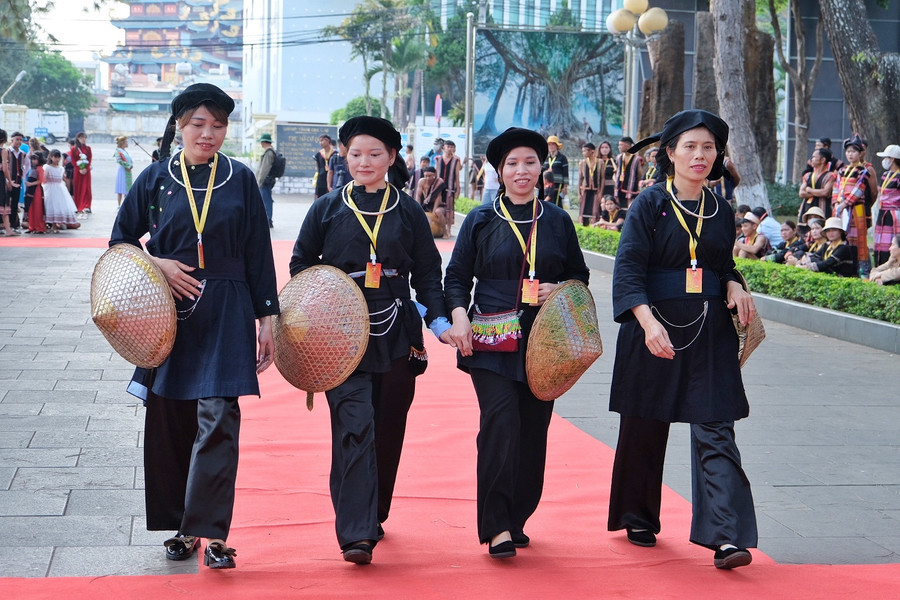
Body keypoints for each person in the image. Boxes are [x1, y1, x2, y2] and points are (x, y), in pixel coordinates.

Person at [109, 83, 280, 570]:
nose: (208, 133)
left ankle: (214, 533)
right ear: (180, 125)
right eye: (198, 124)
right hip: (172, 312)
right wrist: (157, 263)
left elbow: (258, 252)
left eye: (218, 125)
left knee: (220, 417)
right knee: (171, 418)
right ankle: (183, 526)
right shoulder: (155, 178)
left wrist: (268, 318)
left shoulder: (240, 178)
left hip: (228, 308)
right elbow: (120, 241)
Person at [289, 115, 451, 565]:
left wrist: (439, 321)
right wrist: (323, 305)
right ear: (345, 156)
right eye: (356, 153)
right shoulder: (326, 208)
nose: (364, 162)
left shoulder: (409, 210)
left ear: (391, 157)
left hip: (396, 329)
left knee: (388, 427)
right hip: (341, 332)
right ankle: (356, 533)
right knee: (354, 424)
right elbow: (301, 264)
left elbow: (428, 273)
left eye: (375, 154)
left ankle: (373, 512)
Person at [607, 109, 758, 570]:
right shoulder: (649, 204)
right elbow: (629, 269)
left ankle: (726, 537)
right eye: (690, 146)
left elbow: (722, 264)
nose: (700, 155)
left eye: (708, 147)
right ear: (670, 153)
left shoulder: (721, 210)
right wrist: (647, 322)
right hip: (653, 328)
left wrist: (733, 283)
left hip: (709, 332)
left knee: (716, 427)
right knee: (644, 424)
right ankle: (637, 516)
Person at [443, 127, 589, 560]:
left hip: (545, 342)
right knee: (500, 424)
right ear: (499, 171)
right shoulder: (481, 219)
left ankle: (517, 516)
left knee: (532, 431)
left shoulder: (558, 221)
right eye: (512, 164)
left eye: (529, 162)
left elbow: (579, 277)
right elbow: (456, 277)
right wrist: (458, 316)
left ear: (542, 168)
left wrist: (559, 289)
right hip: (491, 339)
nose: (521, 170)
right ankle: (496, 527)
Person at [832, 133, 877, 277]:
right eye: (848, 151)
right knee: (844, 237)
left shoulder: (863, 171)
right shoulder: (842, 170)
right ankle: (846, 266)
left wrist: (845, 203)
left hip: (857, 209)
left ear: (860, 153)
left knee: (859, 239)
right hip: (841, 209)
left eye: (853, 152)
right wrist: (836, 203)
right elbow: (836, 188)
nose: (850, 154)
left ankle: (863, 269)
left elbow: (859, 189)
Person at [798, 147, 835, 234]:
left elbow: (825, 192)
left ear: (823, 160)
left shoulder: (830, 176)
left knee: (822, 229)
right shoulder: (808, 175)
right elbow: (801, 193)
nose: (812, 159)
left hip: (823, 207)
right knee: (805, 231)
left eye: (814, 157)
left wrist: (809, 190)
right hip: (807, 207)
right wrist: (818, 192)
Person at [873, 145, 900, 266]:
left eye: (886, 158)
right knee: (880, 241)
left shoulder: (899, 177)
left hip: (894, 214)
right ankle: (879, 265)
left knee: (892, 241)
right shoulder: (885, 175)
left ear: (892, 159)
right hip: (882, 212)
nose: (884, 161)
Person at [41, 149, 80, 232]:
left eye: (58, 157)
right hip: (49, 188)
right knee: (50, 206)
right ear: (51, 157)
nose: (57, 159)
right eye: (55, 157)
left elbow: (62, 178)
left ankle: (56, 224)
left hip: (59, 189)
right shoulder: (47, 167)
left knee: (58, 205)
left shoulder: (61, 168)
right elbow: (44, 179)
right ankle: (50, 224)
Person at [415, 166, 449, 238]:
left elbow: (438, 197)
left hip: (439, 205)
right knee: (414, 212)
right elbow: (418, 195)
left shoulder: (439, 182)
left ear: (434, 175)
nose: (427, 178)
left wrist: (434, 210)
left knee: (438, 212)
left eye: (430, 176)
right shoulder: (421, 181)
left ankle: (445, 232)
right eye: (426, 176)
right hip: (425, 204)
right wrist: (418, 208)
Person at [434, 140, 462, 228]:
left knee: (450, 209)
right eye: (448, 147)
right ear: (444, 147)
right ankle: (441, 228)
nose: (449, 149)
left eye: (451, 147)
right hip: (439, 188)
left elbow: (457, 175)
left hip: (450, 188)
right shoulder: (438, 159)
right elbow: (435, 174)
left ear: (454, 149)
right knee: (437, 207)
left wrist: (458, 189)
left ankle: (449, 229)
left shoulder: (456, 160)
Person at [615, 136, 643, 207]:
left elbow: (639, 174)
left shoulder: (636, 159)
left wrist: (637, 184)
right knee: (619, 207)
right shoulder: (618, 157)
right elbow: (616, 171)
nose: (619, 147)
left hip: (631, 188)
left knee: (629, 207)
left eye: (621, 145)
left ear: (627, 146)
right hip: (619, 188)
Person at [0, 129, 19, 237]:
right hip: (0, 179)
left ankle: (8, 230)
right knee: (3, 203)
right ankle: (8, 230)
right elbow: (5, 168)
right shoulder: (3, 151)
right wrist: (10, 180)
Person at [8, 131, 27, 231]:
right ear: (12, 140)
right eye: (17, 139)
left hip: (18, 182)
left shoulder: (22, 154)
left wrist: (23, 175)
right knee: (5, 204)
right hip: (7, 182)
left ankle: (14, 225)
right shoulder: (6, 152)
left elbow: (27, 165)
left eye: (20, 140)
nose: (19, 142)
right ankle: (4, 225)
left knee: (15, 204)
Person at [542, 135, 569, 207]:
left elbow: (565, 172)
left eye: (553, 144)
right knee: (547, 204)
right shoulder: (546, 158)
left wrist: (565, 186)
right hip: (547, 185)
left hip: (558, 185)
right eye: (549, 144)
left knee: (557, 204)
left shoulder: (562, 158)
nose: (551, 146)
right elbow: (542, 170)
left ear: (557, 146)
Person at [70, 132, 93, 216]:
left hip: (86, 171)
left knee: (86, 188)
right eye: (82, 138)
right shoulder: (74, 149)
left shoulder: (88, 149)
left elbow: (89, 159)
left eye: (85, 138)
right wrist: (79, 168)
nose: (83, 139)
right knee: (78, 187)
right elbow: (73, 160)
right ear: (78, 139)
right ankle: (78, 205)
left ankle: (87, 205)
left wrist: (86, 168)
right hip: (78, 171)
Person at [256, 133, 276, 228]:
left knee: (266, 201)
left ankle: (268, 220)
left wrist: (260, 181)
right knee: (266, 200)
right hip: (268, 180)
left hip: (265, 181)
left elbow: (265, 168)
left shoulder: (269, 153)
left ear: (264, 142)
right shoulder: (271, 152)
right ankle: (267, 219)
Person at [578, 142, 601, 225]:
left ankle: (594, 224)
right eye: (583, 151)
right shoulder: (582, 162)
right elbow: (580, 178)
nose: (583, 153)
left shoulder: (600, 162)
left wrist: (600, 192)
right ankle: (584, 224)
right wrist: (579, 193)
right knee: (584, 209)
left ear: (592, 151)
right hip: (585, 189)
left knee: (594, 209)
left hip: (596, 190)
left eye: (585, 151)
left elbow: (602, 178)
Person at [24, 152, 46, 234]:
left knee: (38, 209)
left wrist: (30, 184)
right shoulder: (33, 168)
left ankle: (39, 227)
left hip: (37, 191)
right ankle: (32, 226)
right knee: (31, 208)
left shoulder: (40, 168)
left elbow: (41, 180)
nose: (33, 161)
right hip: (31, 190)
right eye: (32, 159)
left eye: (35, 159)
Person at [313, 134, 335, 199]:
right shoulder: (318, 154)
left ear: (327, 140)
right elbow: (318, 167)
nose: (320, 143)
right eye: (320, 141)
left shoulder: (334, 154)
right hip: (321, 179)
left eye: (322, 140)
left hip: (332, 178)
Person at [114, 136, 134, 207]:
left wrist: (131, 165)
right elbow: (119, 160)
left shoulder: (125, 151)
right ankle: (119, 205)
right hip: (123, 170)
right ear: (122, 143)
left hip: (128, 171)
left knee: (127, 188)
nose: (127, 143)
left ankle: (126, 204)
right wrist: (127, 166)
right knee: (121, 187)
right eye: (126, 142)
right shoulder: (118, 151)